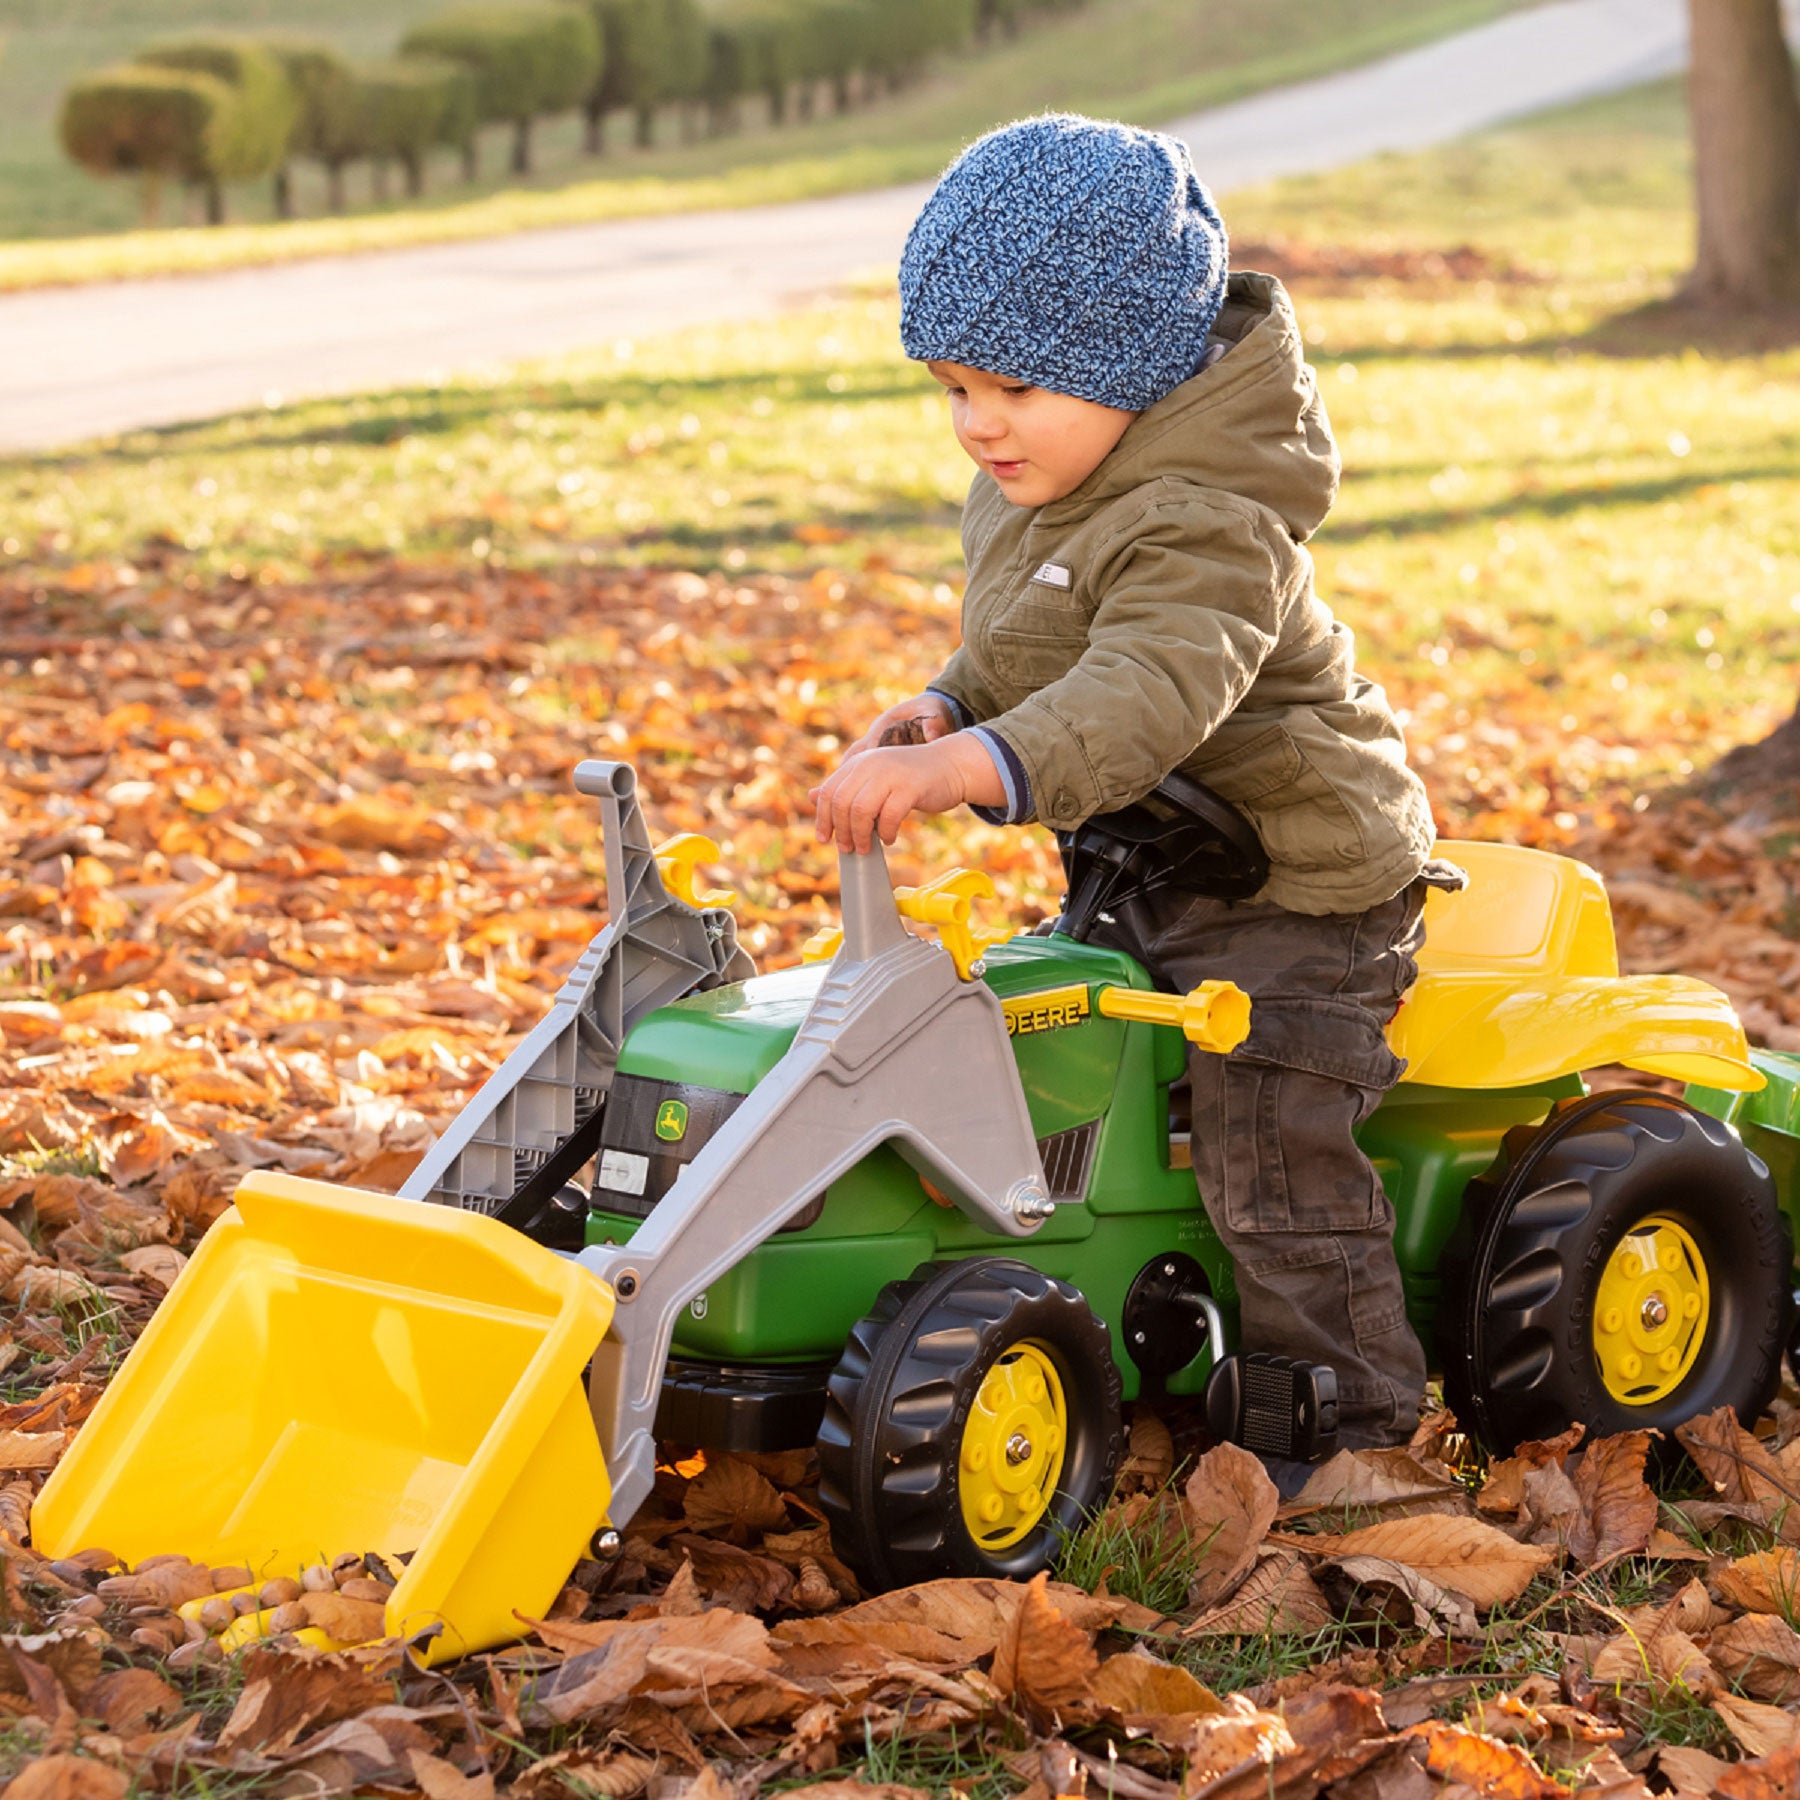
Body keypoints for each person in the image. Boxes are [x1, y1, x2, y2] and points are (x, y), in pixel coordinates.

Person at [811, 112, 1451, 1464]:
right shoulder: (1054, 472)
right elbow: (1033, 645)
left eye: (1012, 390)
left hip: (1300, 890)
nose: (978, 424)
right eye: (951, 389)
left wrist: (967, 766)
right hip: (1149, 869)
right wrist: (952, 702)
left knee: (1269, 1145)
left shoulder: (1209, 519)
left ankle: (1346, 1432)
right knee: (1053, 1077)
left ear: (1131, 370)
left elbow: (1146, 689)